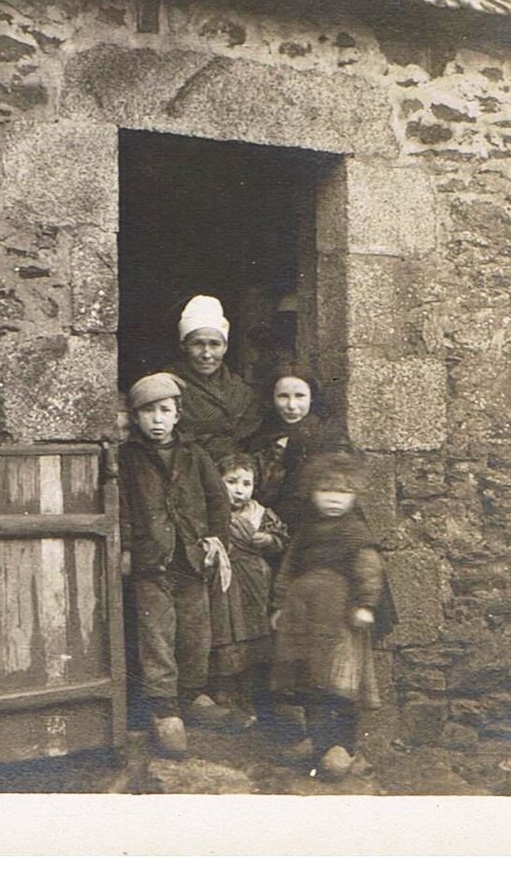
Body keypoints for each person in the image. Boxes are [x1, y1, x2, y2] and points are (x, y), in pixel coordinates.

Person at [116, 371, 234, 756]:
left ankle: (192, 695)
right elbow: (124, 508)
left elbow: (218, 500)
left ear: (178, 414)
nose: (157, 419)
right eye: (147, 412)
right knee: (157, 636)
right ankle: (164, 709)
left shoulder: (194, 455)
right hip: (152, 561)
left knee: (195, 634)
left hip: (191, 558)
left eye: (164, 410)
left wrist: (217, 539)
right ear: (135, 418)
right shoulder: (129, 459)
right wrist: (128, 549)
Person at [268, 451, 386, 781]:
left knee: (338, 683)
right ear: (312, 493)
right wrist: (279, 605)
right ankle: (318, 743)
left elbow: (370, 570)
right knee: (309, 680)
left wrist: (365, 605)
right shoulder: (306, 532)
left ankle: (342, 747)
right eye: (325, 491)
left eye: (342, 492)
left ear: (354, 496)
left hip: (339, 623)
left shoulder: (355, 533)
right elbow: (289, 567)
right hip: (303, 618)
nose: (333, 499)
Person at [206, 452, 289, 729]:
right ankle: (226, 697)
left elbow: (281, 541)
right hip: (225, 584)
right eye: (231, 482)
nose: (239, 490)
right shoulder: (212, 513)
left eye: (246, 483)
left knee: (255, 636)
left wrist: (268, 539)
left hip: (255, 582)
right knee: (227, 635)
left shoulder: (260, 514)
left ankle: (253, 698)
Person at [244, 368, 348, 528]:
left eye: (300, 396)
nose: (291, 406)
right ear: (272, 398)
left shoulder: (327, 437)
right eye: (283, 396)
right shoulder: (261, 436)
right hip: (270, 526)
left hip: (314, 525)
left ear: (312, 398)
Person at [166, 295, 262, 463]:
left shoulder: (241, 390)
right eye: (198, 344)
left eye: (215, 344)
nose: (207, 354)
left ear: (225, 347)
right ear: (183, 346)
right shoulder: (167, 387)